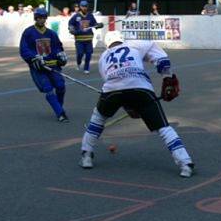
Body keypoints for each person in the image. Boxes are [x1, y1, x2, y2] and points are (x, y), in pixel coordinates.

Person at [78, 30, 195, 177]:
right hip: (141, 89)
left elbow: (115, 84)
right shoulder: (134, 44)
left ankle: (86, 156)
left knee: (98, 119)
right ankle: (185, 163)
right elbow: (162, 60)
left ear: (107, 44)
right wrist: (167, 77)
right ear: (122, 39)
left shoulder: (103, 57)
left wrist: (128, 106)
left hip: (111, 91)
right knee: (163, 128)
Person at [20, 8, 70, 123]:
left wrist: (60, 56)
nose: (42, 20)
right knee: (48, 89)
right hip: (38, 68)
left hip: (53, 66)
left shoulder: (51, 33)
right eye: (39, 18)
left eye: (43, 18)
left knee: (61, 86)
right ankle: (60, 113)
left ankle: (59, 107)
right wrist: (33, 58)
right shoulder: (28, 32)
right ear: (35, 18)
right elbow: (24, 50)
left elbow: (58, 47)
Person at [68, 0, 102, 74]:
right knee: (80, 53)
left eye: (86, 6)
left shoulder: (90, 15)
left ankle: (86, 68)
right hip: (79, 39)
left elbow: (94, 24)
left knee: (89, 54)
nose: (84, 8)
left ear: (87, 6)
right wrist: (71, 29)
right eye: (83, 6)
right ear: (80, 7)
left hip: (89, 39)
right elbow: (71, 23)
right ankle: (78, 62)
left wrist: (99, 25)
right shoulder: (76, 16)